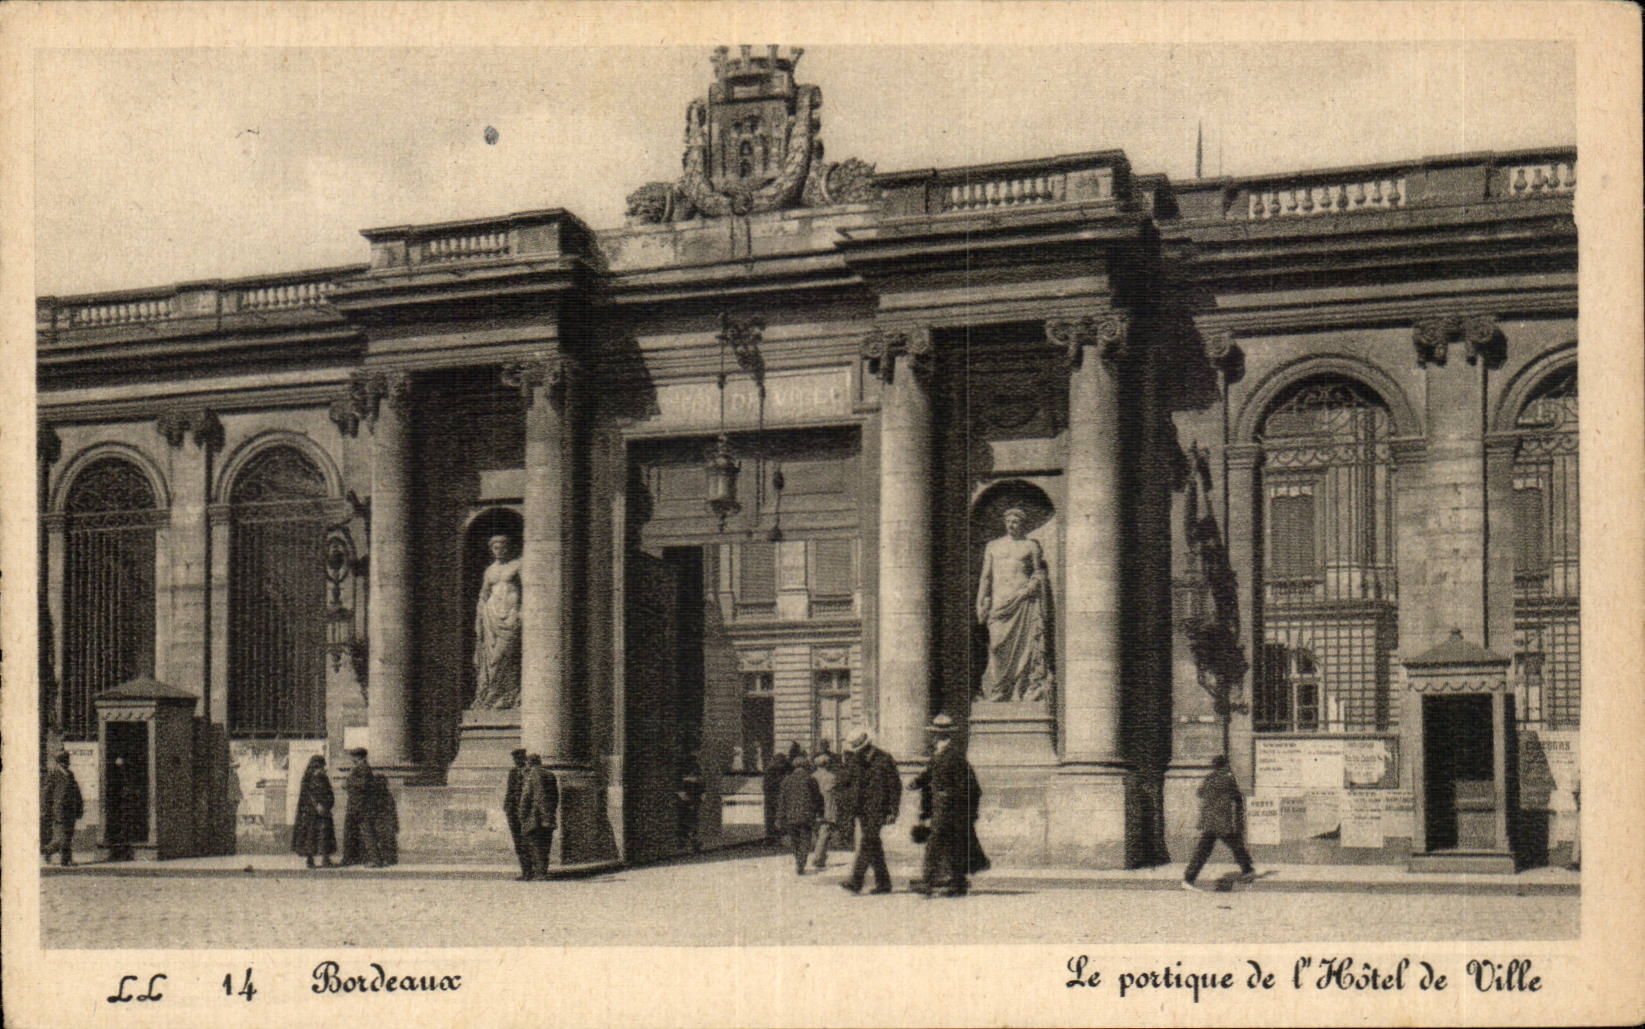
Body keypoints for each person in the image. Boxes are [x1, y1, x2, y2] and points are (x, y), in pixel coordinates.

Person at [975, 506, 1054, 702]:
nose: (1012, 525)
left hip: (1022, 601)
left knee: (1024, 649)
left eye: (1016, 522)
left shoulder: (1030, 546)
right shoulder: (993, 546)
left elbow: (1038, 574)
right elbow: (986, 577)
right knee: (996, 646)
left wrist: (1031, 587)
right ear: (1004, 523)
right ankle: (998, 689)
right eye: (1009, 521)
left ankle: (1020, 689)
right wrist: (980, 602)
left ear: (1023, 524)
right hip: (999, 604)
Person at [909, 714, 988, 897]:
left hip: (949, 809)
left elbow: (966, 785)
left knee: (934, 843)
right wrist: (917, 782)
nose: (935, 737)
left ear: (944, 736)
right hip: (940, 807)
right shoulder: (939, 754)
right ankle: (957, 883)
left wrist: (950, 798)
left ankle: (928, 881)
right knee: (952, 845)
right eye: (935, 733)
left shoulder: (953, 756)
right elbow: (930, 774)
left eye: (938, 734)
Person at [1182, 754, 1257, 891]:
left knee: (1203, 851)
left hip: (1210, 821)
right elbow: (1237, 796)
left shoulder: (1210, 778)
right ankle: (1247, 870)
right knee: (1236, 845)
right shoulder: (1227, 778)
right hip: (1222, 821)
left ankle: (1188, 878)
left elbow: (1200, 793)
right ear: (1225, 765)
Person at [839, 731, 901, 895]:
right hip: (862, 810)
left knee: (868, 841)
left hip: (879, 809)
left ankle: (856, 881)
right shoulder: (855, 761)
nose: (857, 751)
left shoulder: (884, 759)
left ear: (867, 746)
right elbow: (847, 783)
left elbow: (895, 786)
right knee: (874, 846)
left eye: (860, 748)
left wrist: (893, 810)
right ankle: (884, 884)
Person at [473, 534, 523, 710]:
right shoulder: (490, 570)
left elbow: (528, 588)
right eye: (495, 547)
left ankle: (508, 694)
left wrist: (522, 612)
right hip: (490, 616)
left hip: (511, 615)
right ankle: (494, 695)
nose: (499, 550)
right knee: (491, 659)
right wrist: (478, 620)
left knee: (503, 656)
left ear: (508, 546)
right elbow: (483, 595)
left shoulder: (518, 565)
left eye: (502, 546)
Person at [777, 754, 825, 875]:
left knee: (795, 840)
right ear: (805, 766)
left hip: (791, 816)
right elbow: (818, 798)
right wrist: (820, 812)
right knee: (805, 840)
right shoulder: (810, 779)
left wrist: (779, 817)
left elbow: (782, 800)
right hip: (807, 815)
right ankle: (801, 862)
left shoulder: (786, 780)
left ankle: (798, 858)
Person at [519, 753, 559, 881]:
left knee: (535, 845)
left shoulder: (532, 775)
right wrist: (550, 812)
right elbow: (555, 797)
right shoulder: (550, 775)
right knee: (545, 845)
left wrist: (522, 814)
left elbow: (527, 797)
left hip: (534, 816)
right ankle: (543, 871)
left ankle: (540, 874)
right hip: (548, 816)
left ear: (529, 763)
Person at [291, 754, 336, 869]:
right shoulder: (313, 777)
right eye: (320, 766)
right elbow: (310, 795)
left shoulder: (314, 777)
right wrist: (318, 805)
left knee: (318, 835)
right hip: (315, 812)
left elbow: (327, 793)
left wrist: (324, 805)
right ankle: (316, 860)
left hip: (317, 812)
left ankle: (320, 859)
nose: (321, 769)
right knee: (316, 835)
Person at [40, 751, 83, 867]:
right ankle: (62, 859)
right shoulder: (53, 775)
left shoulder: (70, 774)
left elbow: (75, 792)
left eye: (67, 761)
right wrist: (46, 809)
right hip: (59, 810)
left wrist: (79, 808)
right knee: (63, 835)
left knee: (68, 835)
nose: (66, 763)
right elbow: (46, 794)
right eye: (64, 761)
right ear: (58, 762)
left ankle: (63, 857)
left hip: (71, 809)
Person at [339, 748, 378, 867]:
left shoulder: (363, 768)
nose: (351, 758)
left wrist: (347, 784)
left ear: (358, 757)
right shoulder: (358, 768)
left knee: (366, 832)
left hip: (360, 806)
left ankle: (375, 860)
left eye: (353, 755)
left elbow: (363, 784)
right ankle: (349, 858)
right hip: (355, 805)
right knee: (350, 833)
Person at [809, 748, 841, 870]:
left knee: (819, 832)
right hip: (827, 807)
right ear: (826, 764)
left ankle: (821, 857)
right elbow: (835, 793)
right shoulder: (832, 777)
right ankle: (818, 858)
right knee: (825, 832)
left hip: (815, 807)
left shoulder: (812, 776)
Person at [761, 742, 797, 844]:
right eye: (781, 761)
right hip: (773, 797)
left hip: (774, 797)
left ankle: (774, 836)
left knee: (775, 817)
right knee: (773, 817)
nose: (782, 764)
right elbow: (768, 785)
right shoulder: (772, 771)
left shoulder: (778, 769)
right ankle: (771, 836)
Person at [503, 748, 531, 879]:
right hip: (513, 811)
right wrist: (507, 807)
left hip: (526, 811)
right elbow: (510, 790)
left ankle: (531, 871)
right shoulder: (513, 772)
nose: (516, 761)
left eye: (519, 759)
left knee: (527, 841)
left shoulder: (529, 772)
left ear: (524, 759)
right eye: (515, 759)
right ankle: (525, 870)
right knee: (518, 842)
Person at [675, 750, 705, 855]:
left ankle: (693, 840)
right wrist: (681, 792)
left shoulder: (696, 766)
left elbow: (701, 780)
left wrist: (702, 793)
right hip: (685, 796)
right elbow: (678, 781)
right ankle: (685, 841)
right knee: (684, 818)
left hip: (694, 795)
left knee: (693, 818)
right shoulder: (680, 767)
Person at [372, 771, 399, 867]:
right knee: (388, 841)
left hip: (382, 821)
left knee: (384, 840)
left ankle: (386, 859)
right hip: (388, 821)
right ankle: (389, 859)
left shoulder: (378, 795)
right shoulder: (387, 795)